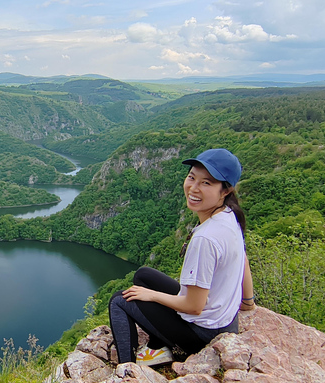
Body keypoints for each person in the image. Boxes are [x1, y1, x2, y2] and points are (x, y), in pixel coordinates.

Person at [108, 148, 255, 367]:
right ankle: (159, 345)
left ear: (225, 191)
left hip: (202, 336)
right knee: (143, 275)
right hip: (225, 322)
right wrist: (248, 302)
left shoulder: (205, 238)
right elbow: (242, 258)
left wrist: (153, 296)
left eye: (207, 183)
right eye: (192, 177)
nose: (194, 188)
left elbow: (194, 306)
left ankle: (127, 371)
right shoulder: (230, 215)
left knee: (119, 301)